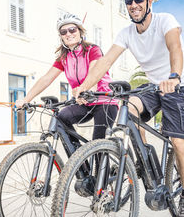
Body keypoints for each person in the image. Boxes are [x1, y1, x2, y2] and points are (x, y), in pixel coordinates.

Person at [73, 0, 184, 217]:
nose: (133, 5)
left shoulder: (165, 21)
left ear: (151, 0)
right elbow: (105, 62)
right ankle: (144, 156)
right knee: (127, 107)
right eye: (128, 1)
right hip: (153, 86)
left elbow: (175, 47)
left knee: (178, 142)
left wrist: (174, 76)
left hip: (180, 85)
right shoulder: (127, 33)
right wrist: (84, 87)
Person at [15, 13, 118, 141]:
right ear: (61, 37)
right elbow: (46, 78)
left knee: (98, 142)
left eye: (72, 30)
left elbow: (94, 74)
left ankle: (97, 156)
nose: (68, 34)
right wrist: (26, 99)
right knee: (60, 118)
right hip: (82, 101)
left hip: (104, 100)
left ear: (80, 32)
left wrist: (84, 90)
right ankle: (79, 159)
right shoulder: (64, 58)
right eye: (64, 32)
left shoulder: (93, 50)